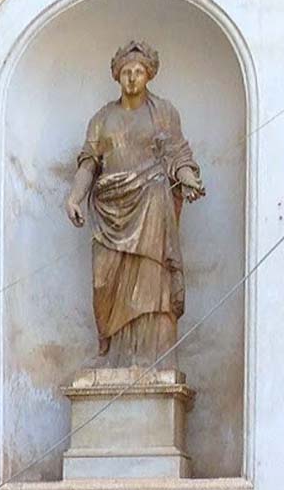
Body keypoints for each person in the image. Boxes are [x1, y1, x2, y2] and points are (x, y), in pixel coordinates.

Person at [65, 40, 204, 366]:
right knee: (105, 283)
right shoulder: (102, 118)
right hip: (109, 211)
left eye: (138, 71)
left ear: (149, 75)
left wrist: (189, 178)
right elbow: (89, 163)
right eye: (126, 72)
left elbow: (178, 154)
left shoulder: (164, 113)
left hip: (152, 207)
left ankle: (153, 358)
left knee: (152, 279)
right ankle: (115, 356)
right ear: (117, 76)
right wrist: (75, 197)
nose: (132, 78)